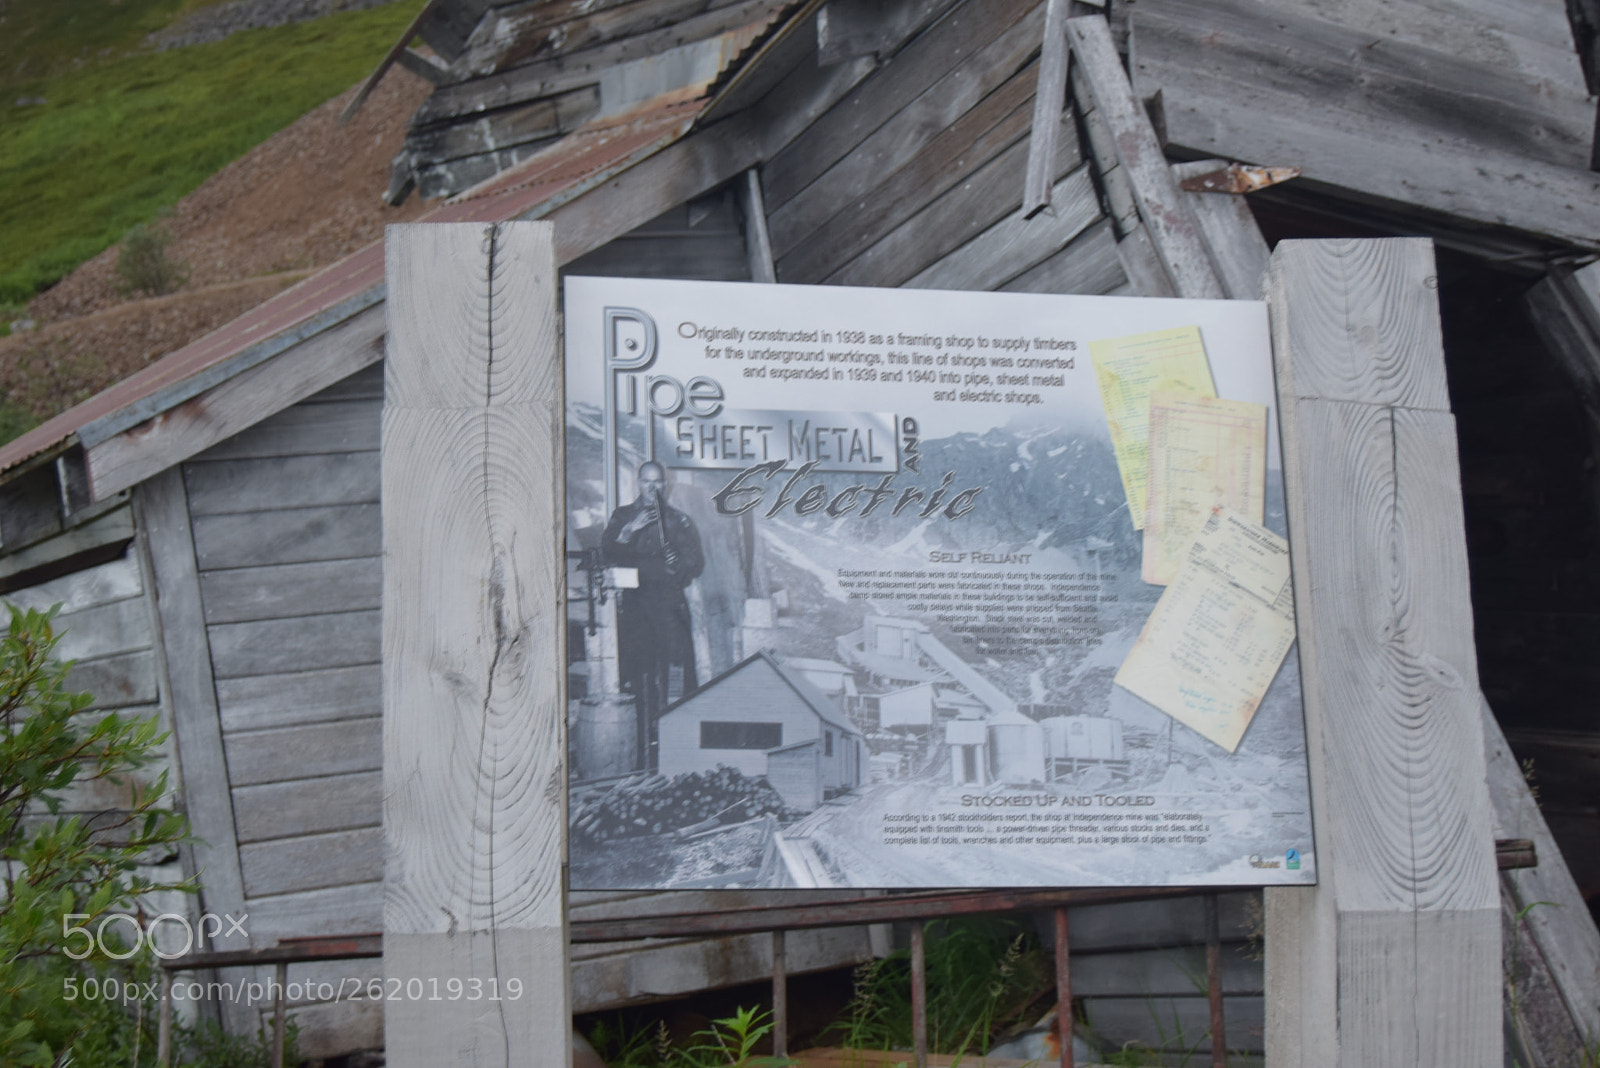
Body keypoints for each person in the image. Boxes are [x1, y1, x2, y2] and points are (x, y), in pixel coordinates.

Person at [601, 462, 705, 769]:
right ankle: (641, 754)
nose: (653, 488)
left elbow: (696, 564)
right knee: (638, 676)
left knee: (676, 674)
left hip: (671, 607)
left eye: (658, 482)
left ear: (666, 485)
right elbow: (608, 553)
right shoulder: (622, 515)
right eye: (647, 482)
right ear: (638, 483)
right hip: (635, 608)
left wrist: (679, 561)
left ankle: (676, 751)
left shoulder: (680, 520)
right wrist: (630, 530)